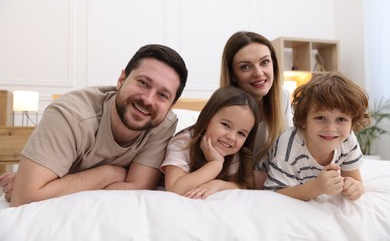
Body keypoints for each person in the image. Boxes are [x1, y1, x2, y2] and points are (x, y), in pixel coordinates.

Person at [0, 44, 188, 206]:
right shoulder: (70, 115)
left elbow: (138, 186)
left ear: (171, 105)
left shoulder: (163, 124)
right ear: (121, 79)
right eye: (143, 83)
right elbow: (24, 198)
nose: (148, 100)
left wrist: (47, 187)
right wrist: (109, 174)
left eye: (163, 95)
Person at [263, 71, 370, 201]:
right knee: (257, 179)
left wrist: (355, 187)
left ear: (353, 123)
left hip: (302, 181)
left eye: (341, 119)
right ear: (304, 120)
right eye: (320, 118)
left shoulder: (347, 139)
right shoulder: (288, 148)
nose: (331, 129)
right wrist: (316, 188)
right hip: (273, 178)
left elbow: (356, 180)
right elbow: (274, 193)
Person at [220, 31, 292, 189]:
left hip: (274, 181)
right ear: (233, 75)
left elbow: (289, 154)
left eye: (264, 62)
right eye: (245, 67)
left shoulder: (282, 98)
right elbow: (222, 170)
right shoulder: (222, 108)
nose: (259, 73)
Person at [161, 86, 260, 199]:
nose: (231, 137)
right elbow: (175, 188)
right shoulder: (183, 143)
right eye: (226, 125)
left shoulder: (234, 153)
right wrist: (215, 164)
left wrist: (218, 185)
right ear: (207, 117)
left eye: (241, 133)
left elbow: (242, 186)